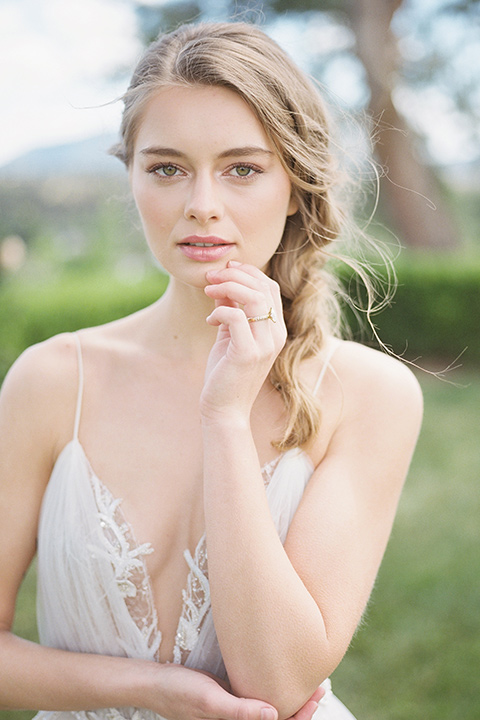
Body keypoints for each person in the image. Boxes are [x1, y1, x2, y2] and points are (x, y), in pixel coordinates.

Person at [0, 20, 423, 720]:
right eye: (166, 167)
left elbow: (279, 682)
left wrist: (224, 415)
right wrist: (158, 693)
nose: (202, 202)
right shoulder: (52, 380)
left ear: (296, 186)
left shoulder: (369, 396)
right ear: (131, 175)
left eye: (243, 168)